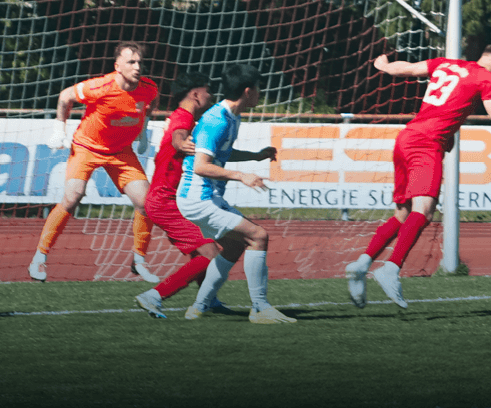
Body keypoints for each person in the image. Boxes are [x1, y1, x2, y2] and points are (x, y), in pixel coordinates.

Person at [346, 44, 491, 309]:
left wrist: (385, 67)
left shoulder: (447, 64)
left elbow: (408, 69)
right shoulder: (486, 79)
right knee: (423, 211)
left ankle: (362, 264)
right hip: (426, 143)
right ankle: (391, 268)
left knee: (403, 214)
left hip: (406, 137)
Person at [29, 42, 160, 283]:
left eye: (140, 62)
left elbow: (150, 105)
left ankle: (139, 260)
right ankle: (40, 256)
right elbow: (64, 96)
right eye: (131, 62)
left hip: (121, 152)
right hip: (87, 148)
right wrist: (59, 128)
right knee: (73, 197)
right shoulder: (99, 86)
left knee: (146, 203)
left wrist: (143, 132)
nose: (137, 67)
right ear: (117, 66)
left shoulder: (149, 88)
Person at [176, 64, 295, 325]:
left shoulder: (230, 116)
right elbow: (201, 166)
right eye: (258, 90)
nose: (260, 94)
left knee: (233, 246)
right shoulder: (216, 120)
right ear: (248, 91)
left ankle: (199, 307)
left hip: (205, 197)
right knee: (258, 236)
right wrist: (242, 176)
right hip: (198, 198)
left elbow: (220, 154)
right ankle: (260, 308)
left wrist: (255, 157)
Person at [135, 71, 227, 318]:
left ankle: (208, 300)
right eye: (208, 91)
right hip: (165, 202)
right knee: (211, 255)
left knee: (201, 253)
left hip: (166, 200)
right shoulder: (183, 118)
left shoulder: (184, 118)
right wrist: (181, 142)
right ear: (196, 94)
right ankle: (154, 295)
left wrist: (255, 155)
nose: (210, 96)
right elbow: (178, 135)